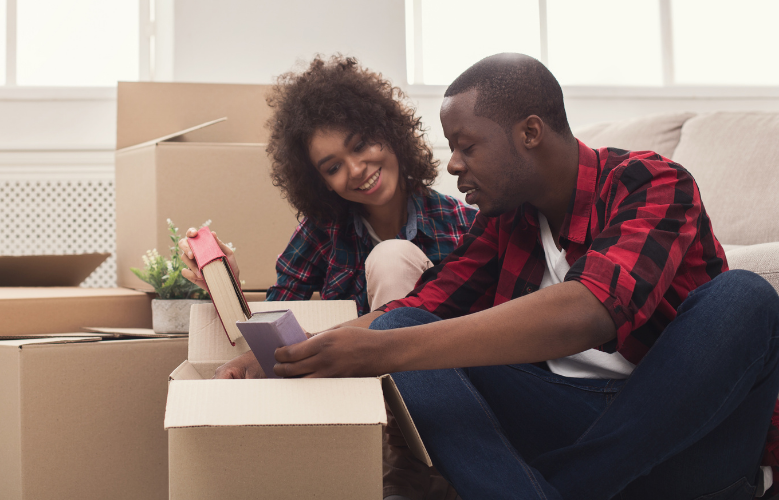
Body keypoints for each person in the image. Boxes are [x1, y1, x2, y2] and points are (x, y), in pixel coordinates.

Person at [251, 53, 779, 499]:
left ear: (529, 132)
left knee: (745, 296)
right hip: (564, 423)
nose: (453, 165)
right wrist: (300, 348)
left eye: (466, 145)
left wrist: (384, 352)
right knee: (400, 324)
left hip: (688, 442)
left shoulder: (651, 182)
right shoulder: (505, 221)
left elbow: (591, 311)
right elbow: (427, 303)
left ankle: (553, 488)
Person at [179, 55, 476, 500]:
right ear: (319, 181)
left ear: (390, 133)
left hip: (450, 396)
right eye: (333, 166)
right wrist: (232, 290)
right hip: (354, 414)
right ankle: (397, 463)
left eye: (361, 146)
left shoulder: (458, 222)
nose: (356, 170)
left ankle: (416, 464)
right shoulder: (322, 231)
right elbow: (280, 321)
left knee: (391, 259)